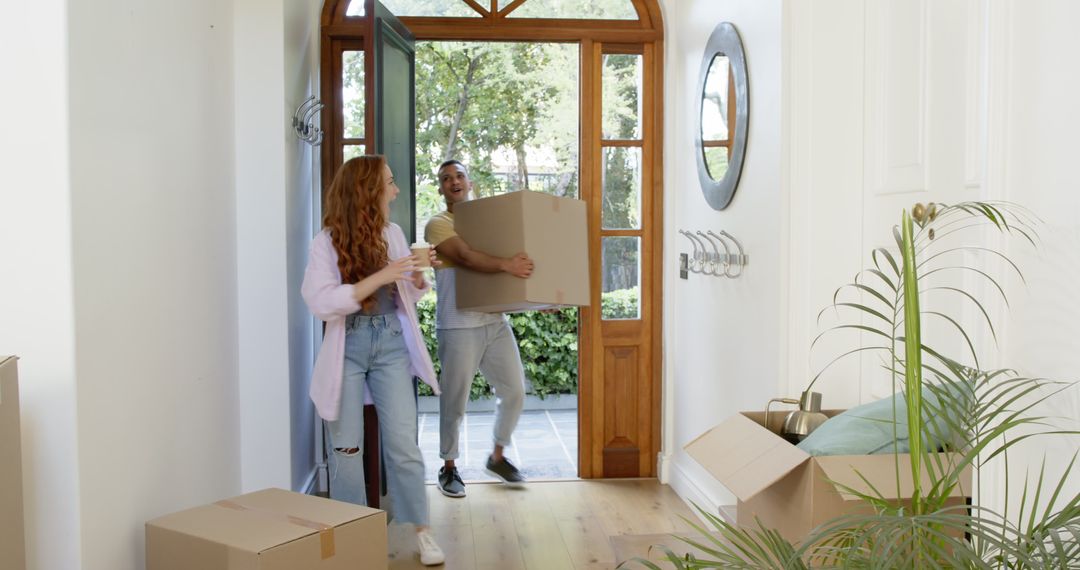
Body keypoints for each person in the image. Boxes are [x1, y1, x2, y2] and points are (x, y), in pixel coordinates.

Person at [301, 155, 445, 566]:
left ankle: (423, 533)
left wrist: (417, 278)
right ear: (368, 191)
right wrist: (378, 277)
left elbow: (408, 296)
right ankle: (355, 541)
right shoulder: (326, 241)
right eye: (390, 183)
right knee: (346, 448)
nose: (396, 191)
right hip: (348, 347)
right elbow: (319, 301)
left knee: (403, 444)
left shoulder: (394, 234)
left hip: (391, 343)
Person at [424, 159, 534, 498]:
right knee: (454, 401)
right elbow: (469, 257)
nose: (454, 181)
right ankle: (449, 467)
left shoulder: (488, 223)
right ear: (441, 188)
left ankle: (498, 456)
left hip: (494, 321)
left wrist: (540, 297)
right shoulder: (438, 225)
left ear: (469, 182)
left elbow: (516, 266)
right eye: (446, 178)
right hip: (458, 325)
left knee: (514, 390)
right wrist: (506, 264)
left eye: (459, 176)